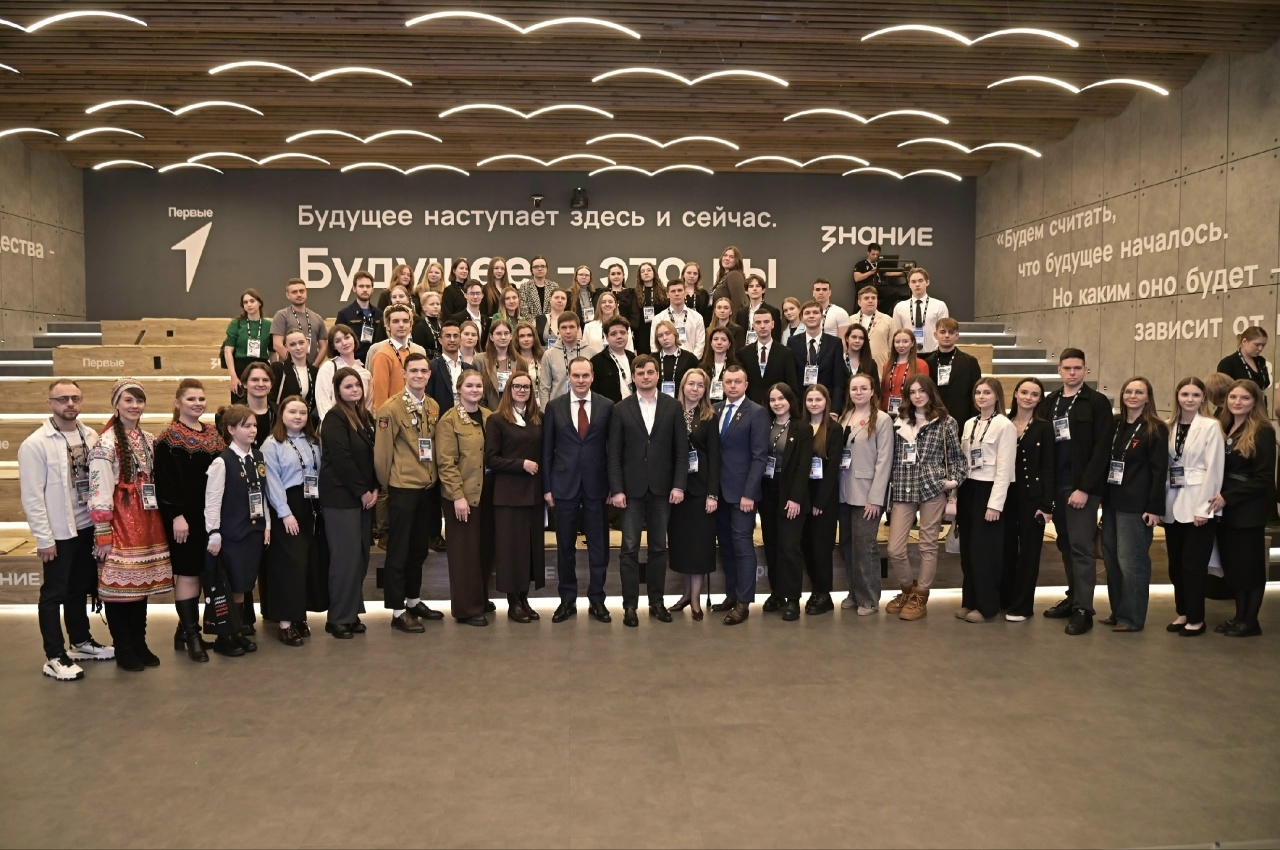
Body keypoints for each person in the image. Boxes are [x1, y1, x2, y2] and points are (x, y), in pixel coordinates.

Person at [19, 380, 114, 680]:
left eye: (75, 398)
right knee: (53, 594)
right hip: (59, 532)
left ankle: (80, 641)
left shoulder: (90, 435)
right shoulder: (35, 444)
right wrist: (44, 538)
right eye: (62, 399)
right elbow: (32, 497)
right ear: (50, 403)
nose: (69, 404)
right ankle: (54, 656)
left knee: (79, 588)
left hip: (87, 526)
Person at [88, 379, 174, 671]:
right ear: (116, 404)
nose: (135, 406)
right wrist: (103, 534)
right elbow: (99, 490)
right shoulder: (105, 443)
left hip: (147, 522)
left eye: (139, 400)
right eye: (128, 400)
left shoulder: (149, 439)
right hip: (121, 524)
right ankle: (124, 647)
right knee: (118, 590)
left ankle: (140, 643)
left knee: (140, 587)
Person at [607, 354, 689, 627]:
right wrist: (616, 489)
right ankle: (630, 606)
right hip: (630, 492)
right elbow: (613, 453)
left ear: (657, 375)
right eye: (640, 373)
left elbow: (681, 451)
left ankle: (657, 602)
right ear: (633, 376)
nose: (645, 376)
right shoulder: (621, 409)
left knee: (657, 549)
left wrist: (679, 484)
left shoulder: (672, 406)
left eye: (650, 372)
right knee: (629, 549)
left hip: (662, 490)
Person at [1041, 349, 1115, 635]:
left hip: (1081, 489)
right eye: (1067, 368)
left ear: (1085, 370)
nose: (1072, 372)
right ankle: (1073, 598)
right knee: (1065, 545)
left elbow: (1102, 449)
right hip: (1057, 486)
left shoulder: (1097, 403)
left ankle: (1084, 609)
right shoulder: (1050, 402)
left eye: (1077, 368)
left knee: (1082, 549)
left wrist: (1084, 488)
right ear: (1059, 370)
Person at [373, 352, 445, 633]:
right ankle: (397, 610)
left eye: (423, 371)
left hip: (427, 488)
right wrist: (388, 486)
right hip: (403, 489)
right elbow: (382, 456)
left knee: (418, 550)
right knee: (399, 551)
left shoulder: (433, 406)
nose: (419, 375)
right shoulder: (390, 409)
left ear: (429, 374)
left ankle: (413, 601)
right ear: (403, 374)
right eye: (413, 370)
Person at [153, 379, 224, 662]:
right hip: (185, 517)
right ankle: (193, 636)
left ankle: (183, 631)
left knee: (204, 572)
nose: (197, 403)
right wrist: (176, 515)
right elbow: (165, 482)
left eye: (201, 399)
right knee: (188, 573)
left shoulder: (213, 434)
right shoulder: (168, 437)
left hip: (210, 516)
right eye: (191, 399)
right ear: (178, 403)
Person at [886, 374, 965, 622]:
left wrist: (952, 482)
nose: (917, 396)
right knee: (894, 548)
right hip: (903, 488)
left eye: (922, 391)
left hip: (933, 489)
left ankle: (921, 595)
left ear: (931, 392)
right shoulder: (898, 421)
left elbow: (957, 459)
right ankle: (907, 589)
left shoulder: (946, 422)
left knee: (927, 545)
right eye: (912, 392)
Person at [543, 358, 614, 624]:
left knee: (599, 546)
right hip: (564, 486)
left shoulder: (607, 406)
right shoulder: (554, 407)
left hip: (598, 486)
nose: (581, 380)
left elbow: (613, 449)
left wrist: (613, 486)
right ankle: (567, 600)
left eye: (585, 375)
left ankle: (597, 599)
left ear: (592, 376)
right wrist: (547, 487)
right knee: (564, 547)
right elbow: (547, 450)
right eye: (576, 375)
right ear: (569, 377)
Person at [1098, 377, 1168, 633]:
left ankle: (1132, 618)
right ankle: (1118, 612)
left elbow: (1160, 471)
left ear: (1148, 397)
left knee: (1132, 562)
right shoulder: (1115, 423)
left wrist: (1154, 507)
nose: (1133, 396)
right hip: (1112, 502)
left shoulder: (1155, 428)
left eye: (1139, 392)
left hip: (1137, 506)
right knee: (1112, 560)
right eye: (1128, 391)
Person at [203, 404, 270, 656]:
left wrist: (267, 525)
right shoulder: (222, 462)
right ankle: (224, 636)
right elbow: (212, 501)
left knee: (243, 584)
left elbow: (262, 494)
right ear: (231, 430)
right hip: (231, 534)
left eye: (254, 425)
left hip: (253, 532)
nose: (252, 430)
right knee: (229, 585)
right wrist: (214, 533)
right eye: (246, 426)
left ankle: (237, 630)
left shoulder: (258, 457)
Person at [1209, 379, 1274, 638]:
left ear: (1255, 401)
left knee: (1250, 569)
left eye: (1245, 398)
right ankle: (1238, 617)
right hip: (1226, 510)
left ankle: (1251, 621)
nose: (1238, 402)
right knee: (1234, 567)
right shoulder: (1224, 426)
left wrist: (1228, 497)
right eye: (1233, 397)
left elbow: (1264, 478)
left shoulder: (1262, 430)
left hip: (1247, 510)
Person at [1160, 378, 1222, 637]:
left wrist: (1205, 509)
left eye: (1195, 395)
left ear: (1203, 397)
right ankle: (1183, 612)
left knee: (1193, 566)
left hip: (1199, 503)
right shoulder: (1168, 425)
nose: (1190, 399)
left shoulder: (1211, 426)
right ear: (1177, 396)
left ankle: (1196, 619)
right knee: (1175, 565)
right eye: (1185, 394)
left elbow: (1215, 468)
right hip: (1172, 502)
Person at [263, 396, 327, 647]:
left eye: (302, 412)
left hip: (311, 506)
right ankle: (285, 624)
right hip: (287, 508)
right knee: (289, 566)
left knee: (307, 564)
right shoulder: (272, 443)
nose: (298, 416)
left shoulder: (313, 441)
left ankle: (300, 616)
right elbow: (272, 481)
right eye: (292, 412)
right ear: (282, 414)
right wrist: (284, 512)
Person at [319, 367, 378, 640]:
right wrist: (362, 491)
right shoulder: (334, 418)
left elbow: (372, 456)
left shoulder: (364, 416)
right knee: (345, 559)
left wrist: (374, 487)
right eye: (348, 386)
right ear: (338, 391)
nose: (354, 390)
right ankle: (338, 618)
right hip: (341, 498)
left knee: (360, 556)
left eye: (357, 385)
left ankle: (351, 613)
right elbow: (342, 459)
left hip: (363, 497)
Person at [485, 373, 545, 623]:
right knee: (511, 550)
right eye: (517, 386)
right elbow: (491, 459)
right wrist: (521, 464)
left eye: (526, 387)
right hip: (508, 495)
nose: (522, 390)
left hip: (534, 494)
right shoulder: (497, 420)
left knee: (530, 549)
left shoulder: (538, 418)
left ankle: (524, 597)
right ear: (508, 389)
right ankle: (513, 602)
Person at [955, 378, 1016, 623]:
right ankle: (969, 601)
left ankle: (987, 606)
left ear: (997, 396)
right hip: (968, 488)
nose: (981, 396)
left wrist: (995, 504)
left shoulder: (1005, 425)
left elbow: (1005, 468)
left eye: (987, 392)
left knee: (985, 552)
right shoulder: (970, 423)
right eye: (978, 392)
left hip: (989, 490)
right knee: (968, 550)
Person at [712, 365, 770, 625]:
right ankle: (731, 595)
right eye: (728, 382)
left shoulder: (756, 413)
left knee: (743, 546)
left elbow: (760, 456)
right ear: (722, 385)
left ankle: (744, 602)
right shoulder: (715, 410)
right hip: (719, 493)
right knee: (726, 546)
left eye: (737, 381)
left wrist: (749, 493)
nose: (733, 386)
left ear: (746, 385)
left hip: (743, 495)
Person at [437, 371, 493, 625]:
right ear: (459, 389)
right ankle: (466, 609)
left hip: (487, 493)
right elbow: (446, 463)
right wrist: (457, 496)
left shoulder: (489, 416)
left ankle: (480, 598)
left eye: (478, 385)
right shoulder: (449, 421)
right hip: (462, 497)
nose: (474, 389)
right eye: (469, 385)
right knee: (464, 553)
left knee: (484, 549)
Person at [837, 373, 894, 615]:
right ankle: (854, 592)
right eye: (854, 389)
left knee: (864, 546)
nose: (858, 392)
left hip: (867, 494)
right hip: (843, 491)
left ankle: (869, 598)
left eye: (863, 388)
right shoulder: (845, 417)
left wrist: (875, 498)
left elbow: (884, 460)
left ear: (872, 391)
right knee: (847, 546)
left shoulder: (882, 419)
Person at [1000, 378, 1055, 621]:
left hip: (1033, 498)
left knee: (1029, 553)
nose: (1028, 397)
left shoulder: (1044, 427)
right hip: (1006, 496)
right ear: (1015, 393)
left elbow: (1049, 467)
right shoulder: (1004, 423)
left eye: (1034, 394)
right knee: (1007, 549)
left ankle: (1023, 606)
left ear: (1040, 399)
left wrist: (1047, 504)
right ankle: (1006, 598)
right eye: (1024, 392)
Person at [757, 383, 813, 622]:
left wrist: (795, 498)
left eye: (781, 398)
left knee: (789, 547)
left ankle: (792, 598)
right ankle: (777, 593)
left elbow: (804, 466)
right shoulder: (765, 424)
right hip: (768, 491)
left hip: (791, 493)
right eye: (772, 399)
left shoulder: (802, 427)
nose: (777, 403)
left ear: (790, 400)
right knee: (771, 544)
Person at [668, 369, 720, 621]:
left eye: (700, 385)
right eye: (691, 384)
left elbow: (715, 458)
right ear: (683, 386)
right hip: (677, 491)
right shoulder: (671, 412)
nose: (695, 389)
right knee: (682, 546)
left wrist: (713, 494)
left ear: (705, 390)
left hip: (701, 492)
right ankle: (686, 594)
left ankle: (696, 600)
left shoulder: (710, 416)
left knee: (699, 548)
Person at [800, 385, 842, 615]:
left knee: (821, 548)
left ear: (826, 402)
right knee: (806, 546)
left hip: (823, 499)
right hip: (802, 497)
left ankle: (824, 594)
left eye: (818, 399)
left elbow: (833, 468)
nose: (814, 404)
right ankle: (816, 590)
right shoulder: (800, 426)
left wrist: (819, 502)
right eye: (810, 400)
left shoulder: (834, 429)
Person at [788, 299, 846, 412]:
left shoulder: (835, 343)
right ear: (801, 318)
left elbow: (838, 380)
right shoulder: (792, 342)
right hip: (800, 405)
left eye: (815, 312)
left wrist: (835, 411)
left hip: (827, 403)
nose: (811, 316)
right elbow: (791, 378)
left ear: (822, 317)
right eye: (807, 313)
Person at [923, 318, 981, 425]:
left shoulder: (970, 362)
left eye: (951, 332)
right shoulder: (927, 363)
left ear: (956, 336)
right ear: (935, 335)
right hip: (934, 419)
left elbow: (975, 393)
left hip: (962, 420)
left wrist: (973, 421)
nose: (946, 336)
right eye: (942, 332)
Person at [539, 311, 599, 409]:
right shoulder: (549, 355)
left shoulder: (591, 352)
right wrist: (546, 412)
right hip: (558, 408)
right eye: (564, 327)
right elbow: (544, 388)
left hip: (585, 407)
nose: (568, 331)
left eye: (571, 327)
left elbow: (597, 384)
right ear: (558, 330)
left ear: (578, 329)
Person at [370, 305, 426, 409]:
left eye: (405, 321)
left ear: (410, 325)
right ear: (388, 325)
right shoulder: (383, 355)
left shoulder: (416, 352)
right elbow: (380, 397)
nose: (401, 325)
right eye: (396, 321)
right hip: (393, 414)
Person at [742, 310, 799, 406]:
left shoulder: (786, 353)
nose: (762, 326)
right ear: (753, 326)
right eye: (758, 322)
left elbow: (792, 387)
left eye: (766, 322)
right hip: (751, 408)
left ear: (772, 324)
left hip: (778, 407)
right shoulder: (744, 353)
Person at [315, 324, 372, 420]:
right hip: (335, 423)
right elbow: (323, 401)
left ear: (353, 338)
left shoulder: (365, 373)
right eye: (338, 341)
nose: (344, 343)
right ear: (333, 346)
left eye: (347, 337)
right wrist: (331, 423)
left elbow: (368, 405)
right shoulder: (328, 368)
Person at [223, 288, 270, 403]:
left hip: (262, 366)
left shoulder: (268, 325)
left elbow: (272, 352)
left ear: (259, 302)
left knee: (262, 403)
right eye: (245, 302)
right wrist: (233, 376)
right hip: (241, 367)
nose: (249, 304)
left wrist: (273, 376)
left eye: (252, 301)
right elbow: (228, 351)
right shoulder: (237, 323)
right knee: (240, 405)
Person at [271, 277, 328, 365]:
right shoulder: (282, 315)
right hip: (289, 368)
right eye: (294, 292)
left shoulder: (317, 318)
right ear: (287, 295)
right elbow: (277, 345)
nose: (299, 294)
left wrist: (314, 367)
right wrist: (295, 364)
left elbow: (323, 347)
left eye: (301, 291)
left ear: (306, 293)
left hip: (312, 368)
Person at [891, 267, 949, 354]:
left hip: (933, 352)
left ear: (927, 282)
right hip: (908, 353)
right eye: (913, 282)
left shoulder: (939, 306)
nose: (917, 284)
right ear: (909, 284)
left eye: (920, 281)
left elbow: (944, 333)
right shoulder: (900, 307)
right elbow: (897, 333)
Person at [270, 329, 319, 423]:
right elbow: (271, 399)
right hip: (282, 423)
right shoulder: (278, 369)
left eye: (301, 343)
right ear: (287, 347)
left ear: (308, 343)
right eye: (292, 344)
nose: (298, 347)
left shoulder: (315, 372)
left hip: (306, 423)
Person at [335, 270, 382, 364]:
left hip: (376, 362)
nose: (365, 289)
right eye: (361, 286)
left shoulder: (380, 314)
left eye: (368, 286)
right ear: (354, 288)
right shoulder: (344, 314)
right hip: (353, 363)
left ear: (372, 289)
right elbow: (336, 342)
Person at [472, 319, 519, 410]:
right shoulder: (479, 360)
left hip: (513, 411)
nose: (503, 337)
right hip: (487, 411)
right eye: (498, 333)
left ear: (511, 336)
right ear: (491, 337)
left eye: (506, 333)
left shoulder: (520, 361)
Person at [426, 319, 470, 413]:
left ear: (461, 340)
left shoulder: (470, 368)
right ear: (440, 340)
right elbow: (428, 398)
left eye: (455, 336)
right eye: (448, 336)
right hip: (441, 417)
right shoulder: (432, 367)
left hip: (468, 417)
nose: (452, 340)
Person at [881, 329, 929, 415]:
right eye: (897, 342)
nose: (901, 345)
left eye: (905, 341)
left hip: (910, 411)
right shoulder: (886, 365)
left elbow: (925, 391)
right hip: (887, 411)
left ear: (912, 343)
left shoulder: (921, 365)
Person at [589, 316, 636, 403]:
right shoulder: (596, 362)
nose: (619, 336)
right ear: (606, 337)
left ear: (628, 334)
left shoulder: (633, 358)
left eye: (622, 332)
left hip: (633, 407)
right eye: (613, 334)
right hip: (609, 409)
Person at [854, 242, 907, 317]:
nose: (875, 256)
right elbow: (857, 278)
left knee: (895, 294)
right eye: (873, 254)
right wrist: (871, 272)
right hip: (868, 287)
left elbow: (888, 273)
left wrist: (902, 272)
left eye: (877, 254)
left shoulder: (880, 263)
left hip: (880, 286)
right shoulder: (861, 264)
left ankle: (879, 313)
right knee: (871, 293)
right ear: (868, 253)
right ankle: (873, 313)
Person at [1216, 326, 1270, 396]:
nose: (1260, 348)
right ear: (1244, 342)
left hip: (1259, 402)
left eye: (1263, 345)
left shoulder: (1261, 361)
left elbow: (1264, 384)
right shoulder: (1227, 363)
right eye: (1257, 345)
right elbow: (1222, 393)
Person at [653, 320, 699, 398]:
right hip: (658, 401)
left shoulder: (689, 358)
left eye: (668, 333)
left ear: (675, 334)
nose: (664, 338)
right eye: (660, 336)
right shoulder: (652, 359)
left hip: (683, 400)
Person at [851, 285, 893, 370]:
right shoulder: (850, 321)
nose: (870, 301)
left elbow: (892, 347)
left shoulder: (888, 320)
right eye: (866, 298)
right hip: (856, 366)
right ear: (859, 302)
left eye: (873, 298)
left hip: (881, 367)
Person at [628, 261, 666, 355]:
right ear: (639, 275)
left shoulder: (663, 291)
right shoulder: (635, 293)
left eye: (649, 270)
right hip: (642, 331)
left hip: (659, 327)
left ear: (654, 273)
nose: (646, 273)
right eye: (643, 271)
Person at [735, 273, 781, 346]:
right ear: (746, 291)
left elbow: (776, 337)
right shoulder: (741, 313)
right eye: (751, 286)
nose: (754, 289)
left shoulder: (773, 311)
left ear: (763, 290)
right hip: (745, 350)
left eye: (758, 286)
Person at [698, 327, 740, 404]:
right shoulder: (702, 367)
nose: (719, 342)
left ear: (729, 344)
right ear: (711, 343)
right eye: (715, 339)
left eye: (723, 340)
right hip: (706, 406)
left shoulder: (737, 367)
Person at [239, 361, 276, 447]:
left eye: (265, 380)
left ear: (271, 385)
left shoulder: (281, 413)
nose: (260, 384)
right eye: (255, 380)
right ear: (244, 384)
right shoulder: (231, 415)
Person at [449, 279, 492, 349]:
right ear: (465, 295)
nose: (475, 297)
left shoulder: (487, 320)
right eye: (472, 293)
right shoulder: (456, 319)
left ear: (482, 295)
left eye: (478, 293)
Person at [842, 323, 881, 397]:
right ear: (847, 338)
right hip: (843, 403)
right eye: (854, 337)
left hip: (865, 403)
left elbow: (876, 391)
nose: (857, 341)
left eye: (861, 338)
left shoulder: (871, 364)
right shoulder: (839, 361)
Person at [514, 320, 545, 398]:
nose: (526, 339)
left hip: (538, 401)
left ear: (534, 337)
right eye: (522, 336)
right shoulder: (511, 360)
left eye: (529, 335)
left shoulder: (543, 358)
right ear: (517, 339)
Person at [711, 245, 747, 311]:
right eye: (725, 255)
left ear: (736, 261)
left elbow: (738, 302)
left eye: (731, 257)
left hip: (730, 317)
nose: (727, 258)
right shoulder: (723, 277)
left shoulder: (734, 275)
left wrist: (734, 318)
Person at [413, 289, 443, 361]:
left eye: (438, 304)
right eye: (432, 304)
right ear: (424, 307)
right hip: (426, 360)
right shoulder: (420, 327)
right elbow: (418, 349)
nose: (435, 306)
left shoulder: (442, 325)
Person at [681, 261, 713, 326]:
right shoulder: (678, 291)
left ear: (698, 276)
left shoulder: (703, 293)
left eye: (695, 274)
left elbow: (707, 314)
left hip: (699, 326)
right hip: (681, 327)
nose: (692, 276)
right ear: (683, 274)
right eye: (689, 273)